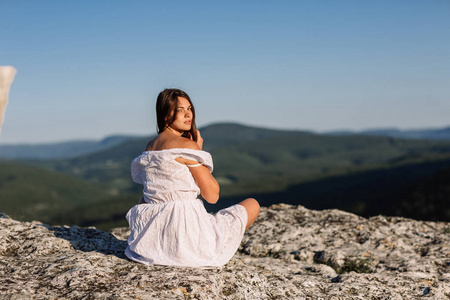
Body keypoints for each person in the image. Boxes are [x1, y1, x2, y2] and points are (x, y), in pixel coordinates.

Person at [125, 88, 260, 267]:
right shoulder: (187, 145)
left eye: (189, 108)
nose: (188, 114)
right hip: (185, 237)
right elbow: (212, 196)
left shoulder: (150, 146)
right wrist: (198, 150)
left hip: (154, 237)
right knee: (252, 204)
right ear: (165, 115)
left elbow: (149, 195)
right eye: (179, 110)